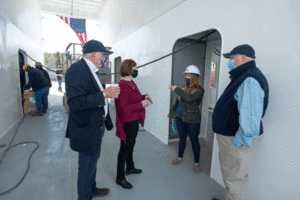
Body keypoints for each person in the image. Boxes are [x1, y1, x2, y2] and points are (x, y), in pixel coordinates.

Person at [211, 44, 269, 200]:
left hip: (237, 141)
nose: (230, 61)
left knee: (235, 180)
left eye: (232, 58)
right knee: (232, 177)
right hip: (233, 139)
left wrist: (239, 142)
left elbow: (250, 121)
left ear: (243, 58)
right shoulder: (244, 76)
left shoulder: (249, 79)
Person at [65, 39, 120, 200]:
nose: (104, 58)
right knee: (86, 166)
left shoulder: (90, 70)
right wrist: (104, 94)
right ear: (95, 54)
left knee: (92, 162)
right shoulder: (77, 70)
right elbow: (75, 102)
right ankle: (85, 196)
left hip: (95, 126)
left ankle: (92, 188)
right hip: (86, 129)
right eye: (103, 54)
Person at [115, 59, 153, 189]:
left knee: (131, 145)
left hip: (134, 120)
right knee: (124, 149)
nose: (137, 70)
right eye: (135, 68)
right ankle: (120, 177)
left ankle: (130, 168)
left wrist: (144, 96)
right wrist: (141, 104)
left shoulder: (130, 82)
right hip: (128, 122)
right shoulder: (121, 85)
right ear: (130, 69)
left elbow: (134, 98)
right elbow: (123, 108)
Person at [168, 65, 204, 174]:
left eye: (189, 75)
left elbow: (189, 98)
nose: (187, 77)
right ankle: (180, 157)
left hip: (192, 120)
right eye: (186, 75)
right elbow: (178, 103)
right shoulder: (184, 88)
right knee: (182, 138)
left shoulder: (199, 90)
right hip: (180, 119)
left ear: (194, 77)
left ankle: (196, 163)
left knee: (194, 141)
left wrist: (177, 89)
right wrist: (173, 115)